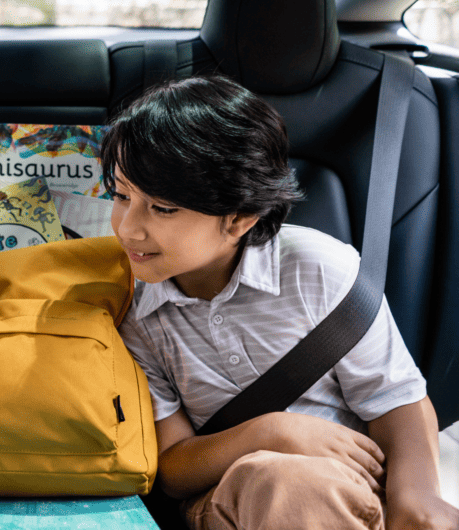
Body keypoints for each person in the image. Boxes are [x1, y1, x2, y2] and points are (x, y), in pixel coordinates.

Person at [104, 75, 458, 530]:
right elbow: (172, 467)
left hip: (354, 490)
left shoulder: (319, 269)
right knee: (285, 481)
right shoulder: (134, 310)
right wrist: (273, 432)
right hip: (224, 500)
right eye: (120, 195)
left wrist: (417, 498)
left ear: (239, 217)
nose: (127, 228)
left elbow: (396, 400)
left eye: (162, 208)